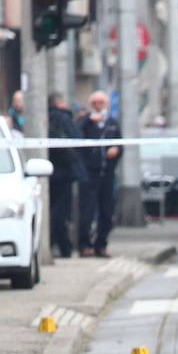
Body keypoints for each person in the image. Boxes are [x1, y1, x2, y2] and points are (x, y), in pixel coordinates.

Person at [76, 91, 121, 258]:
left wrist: (117, 150)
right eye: (95, 102)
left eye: (101, 102)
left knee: (107, 212)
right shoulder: (85, 122)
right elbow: (77, 136)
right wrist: (88, 120)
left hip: (107, 174)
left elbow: (120, 143)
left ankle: (101, 244)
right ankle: (84, 245)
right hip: (89, 174)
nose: (98, 105)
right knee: (87, 211)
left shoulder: (112, 123)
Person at [47, 92, 84, 256]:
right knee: (61, 213)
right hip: (64, 173)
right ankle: (63, 247)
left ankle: (56, 243)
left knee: (52, 209)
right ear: (60, 103)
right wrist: (74, 159)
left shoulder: (43, 118)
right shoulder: (64, 118)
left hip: (46, 172)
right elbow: (77, 139)